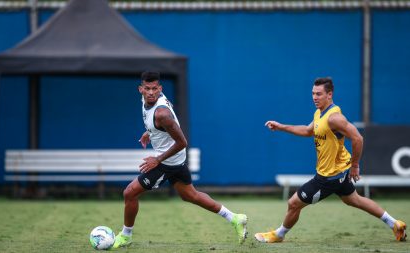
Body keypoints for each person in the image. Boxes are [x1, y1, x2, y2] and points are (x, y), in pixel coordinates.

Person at [255, 77, 407, 243]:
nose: (314, 97)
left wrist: (355, 165)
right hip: (339, 172)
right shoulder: (320, 112)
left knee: (293, 203)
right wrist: (281, 126)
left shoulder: (334, 118)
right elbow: (307, 131)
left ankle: (279, 234)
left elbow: (358, 138)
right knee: (355, 200)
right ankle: (394, 223)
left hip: (328, 177)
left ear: (329, 95)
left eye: (319, 94)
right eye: (313, 93)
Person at [113, 71, 248, 248]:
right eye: (147, 88)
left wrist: (157, 160)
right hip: (175, 160)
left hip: (167, 162)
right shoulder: (148, 103)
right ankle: (235, 218)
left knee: (129, 193)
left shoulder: (162, 113)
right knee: (190, 195)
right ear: (141, 89)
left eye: (155, 88)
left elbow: (182, 141)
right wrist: (150, 132)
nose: (151, 92)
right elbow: (163, 125)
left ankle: (125, 236)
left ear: (160, 88)